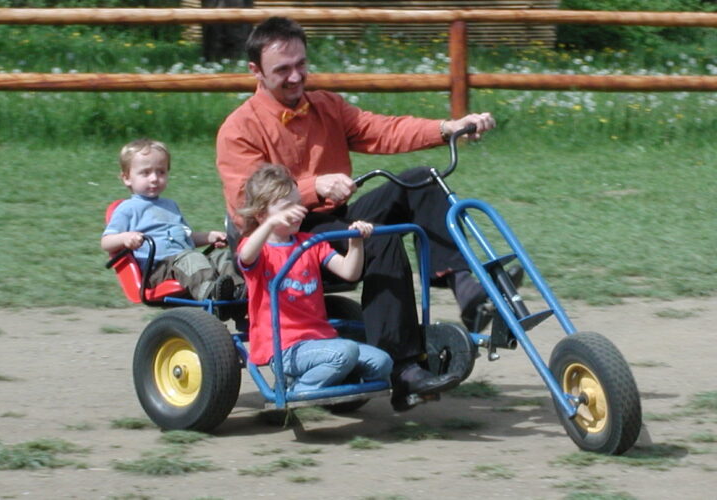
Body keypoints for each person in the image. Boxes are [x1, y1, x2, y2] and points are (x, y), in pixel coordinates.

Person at [215, 17, 521, 409]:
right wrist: (313, 188)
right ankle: (405, 370)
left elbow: (381, 130)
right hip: (279, 243)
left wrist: (448, 128)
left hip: (330, 221)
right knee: (379, 235)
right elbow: (245, 201)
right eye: (282, 70)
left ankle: (468, 288)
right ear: (254, 71)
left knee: (422, 181)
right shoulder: (239, 128)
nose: (296, 77)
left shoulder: (325, 105)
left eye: (301, 64)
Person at [237, 164, 393, 393]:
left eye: (298, 204)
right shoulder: (259, 250)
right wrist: (271, 223)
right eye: (286, 208)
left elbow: (350, 272)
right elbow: (246, 256)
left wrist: (356, 242)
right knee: (345, 353)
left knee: (383, 362)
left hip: (321, 341)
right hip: (284, 348)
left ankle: (328, 384)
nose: (297, 211)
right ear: (261, 215)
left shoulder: (310, 242)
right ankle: (294, 388)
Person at [102, 139, 242, 317]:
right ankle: (212, 296)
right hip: (157, 270)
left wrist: (209, 237)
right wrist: (125, 238)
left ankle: (239, 293)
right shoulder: (127, 208)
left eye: (160, 172)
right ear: (127, 178)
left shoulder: (170, 205)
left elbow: (184, 238)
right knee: (190, 258)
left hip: (184, 262)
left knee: (225, 257)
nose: (154, 178)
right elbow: (106, 242)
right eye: (145, 173)